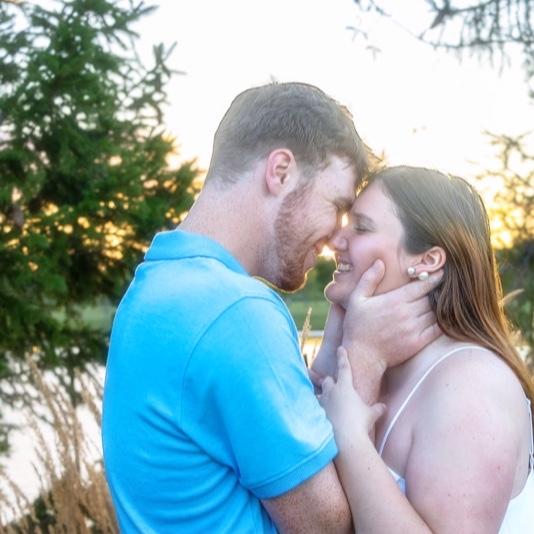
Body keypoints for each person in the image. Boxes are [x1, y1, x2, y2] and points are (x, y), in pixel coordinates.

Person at [101, 83, 442, 533]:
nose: (334, 239)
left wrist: (337, 335)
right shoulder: (237, 313)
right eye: (336, 206)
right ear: (280, 171)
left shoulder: (155, 287)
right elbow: (328, 527)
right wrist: (366, 355)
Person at [313, 166, 534, 533]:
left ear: (428, 260)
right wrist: (340, 347)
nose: (336, 240)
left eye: (362, 228)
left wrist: (351, 437)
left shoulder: (471, 385)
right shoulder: (379, 361)